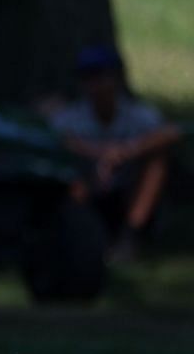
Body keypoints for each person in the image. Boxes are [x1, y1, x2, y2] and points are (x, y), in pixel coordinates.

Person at [50, 45, 181, 260]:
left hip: (125, 193)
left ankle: (131, 235)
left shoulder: (134, 114)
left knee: (157, 161)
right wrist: (99, 154)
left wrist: (125, 152)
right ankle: (76, 236)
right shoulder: (72, 118)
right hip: (88, 191)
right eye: (88, 78)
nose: (96, 85)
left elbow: (170, 133)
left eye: (101, 76)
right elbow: (56, 139)